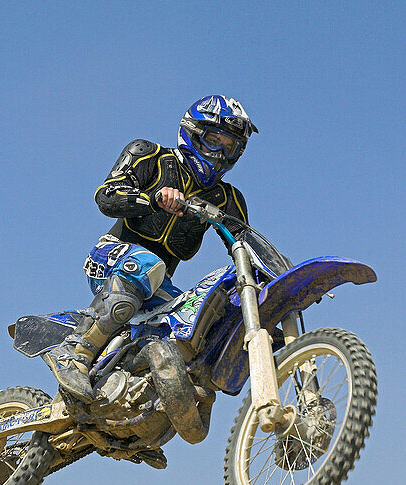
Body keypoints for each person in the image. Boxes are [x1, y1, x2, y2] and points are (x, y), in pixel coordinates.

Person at [44, 94, 257, 402]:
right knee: (147, 266)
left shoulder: (228, 199)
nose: (220, 153)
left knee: (200, 323)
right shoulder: (150, 155)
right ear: (193, 133)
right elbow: (106, 196)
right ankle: (73, 351)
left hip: (158, 286)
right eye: (214, 140)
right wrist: (153, 198)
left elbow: (245, 248)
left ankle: (143, 415)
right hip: (111, 258)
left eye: (230, 147)